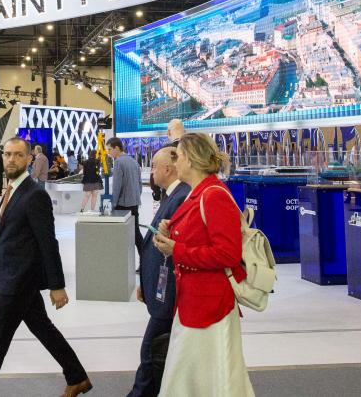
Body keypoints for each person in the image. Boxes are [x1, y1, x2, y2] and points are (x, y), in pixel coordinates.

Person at [0, 137, 91, 397]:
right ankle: (77, 376)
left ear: (29, 159)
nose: (11, 159)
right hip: (13, 277)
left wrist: (57, 285)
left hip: (18, 282)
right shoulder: (13, 190)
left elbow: (48, 242)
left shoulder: (35, 195)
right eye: (7, 154)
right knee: (42, 328)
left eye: (18, 155)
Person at [152, 133, 253, 396]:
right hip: (194, 301)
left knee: (208, 378)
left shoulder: (213, 195)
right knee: (193, 377)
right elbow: (201, 234)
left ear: (191, 159)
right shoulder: (198, 193)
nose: (176, 163)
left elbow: (227, 254)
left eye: (178, 156)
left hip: (210, 305)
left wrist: (177, 249)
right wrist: (172, 230)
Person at [128, 147, 191, 397]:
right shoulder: (171, 196)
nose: (151, 171)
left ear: (167, 169)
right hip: (160, 290)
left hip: (169, 295)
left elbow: (173, 252)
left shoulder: (181, 198)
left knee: (151, 351)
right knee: (157, 351)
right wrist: (146, 282)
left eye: (154, 166)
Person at [107, 137, 144, 257]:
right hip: (134, 202)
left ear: (117, 148)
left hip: (122, 205)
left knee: (121, 234)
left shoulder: (118, 162)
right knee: (136, 233)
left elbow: (117, 186)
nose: (108, 153)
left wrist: (113, 204)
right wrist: (136, 197)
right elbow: (139, 184)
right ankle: (145, 259)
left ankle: (121, 261)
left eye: (110, 149)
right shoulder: (134, 161)